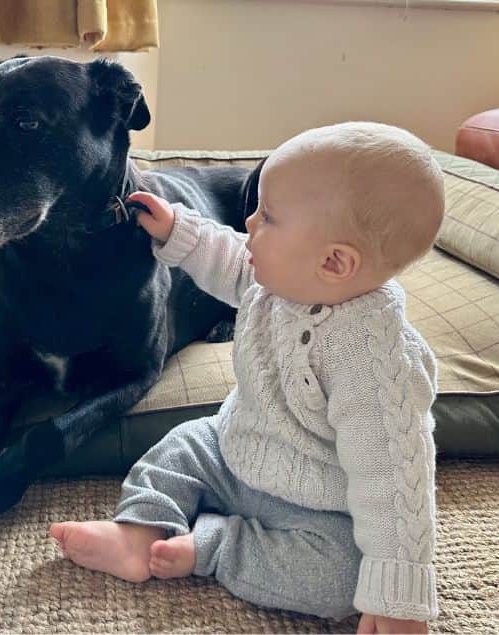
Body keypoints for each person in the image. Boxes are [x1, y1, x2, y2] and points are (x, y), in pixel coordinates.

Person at [50, 122, 446, 634]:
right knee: (184, 443)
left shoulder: (374, 358)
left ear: (334, 261)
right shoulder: (278, 278)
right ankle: (138, 530)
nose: (250, 222)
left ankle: (216, 545)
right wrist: (179, 230)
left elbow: (394, 480)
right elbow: (231, 259)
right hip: (234, 452)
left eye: (268, 217)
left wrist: (398, 595)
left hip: (319, 508)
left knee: (343, 581)